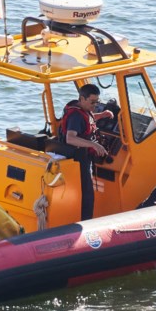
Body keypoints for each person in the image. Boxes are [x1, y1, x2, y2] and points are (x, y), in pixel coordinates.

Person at [58, 83, 114, 221]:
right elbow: (70, 138)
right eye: (92, 102)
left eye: (97, 102)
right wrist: (93, 145)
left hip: (83, 156)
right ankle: (86, 222)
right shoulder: (75, 116)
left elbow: (87, 119)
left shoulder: (81, 109)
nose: (94, 105)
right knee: (87, 194)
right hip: (79, 158)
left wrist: (101, 115)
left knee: (87, 191)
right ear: (82, 99)